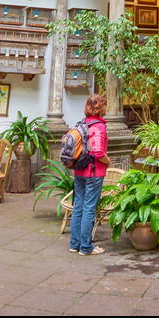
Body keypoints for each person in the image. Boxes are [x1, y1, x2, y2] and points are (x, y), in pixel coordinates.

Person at [69, 93, 110, 257]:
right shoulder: (99, 126)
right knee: (89, 208)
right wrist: (108, 161)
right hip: (94, 172)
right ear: (101, 107)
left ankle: (74, 244)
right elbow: (98, 152)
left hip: (79, 170)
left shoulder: (82, 123)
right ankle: (85, 247)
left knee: (78, 206)